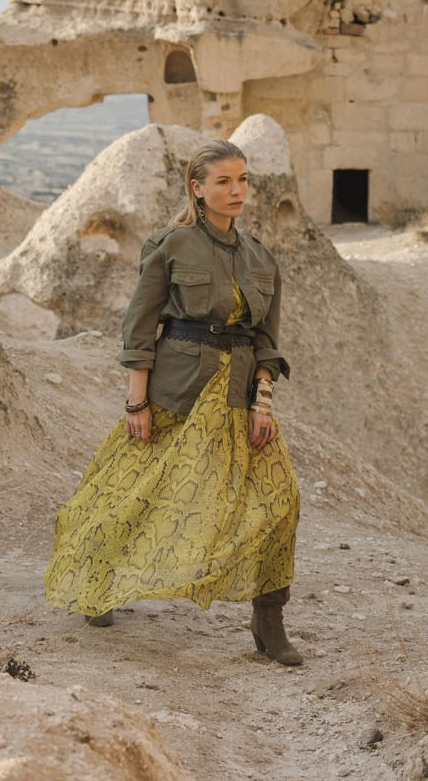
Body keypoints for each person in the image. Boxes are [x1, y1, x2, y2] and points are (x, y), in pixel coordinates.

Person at [43, 139, 304, 665]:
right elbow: (140, 327)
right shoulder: (171, 245)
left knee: (282, 501)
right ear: (197, 188)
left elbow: (268, 343)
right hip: (177, 390)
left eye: (243, 180)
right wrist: (136, 403)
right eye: (224, 181)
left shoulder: (261, 257)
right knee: (132, 494)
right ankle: (97, 580)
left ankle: (269, 620)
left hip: (239, 396)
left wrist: (263, 404)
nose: (237, 191)